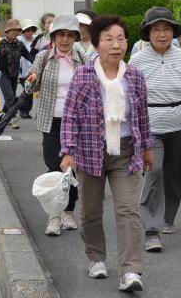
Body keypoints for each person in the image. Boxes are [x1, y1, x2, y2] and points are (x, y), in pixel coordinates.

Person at [60, 15, 154, 293]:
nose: (116, 45)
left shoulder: (135, 76)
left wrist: (147, 147)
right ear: (97, 43)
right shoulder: (84, 75)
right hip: (90, 151)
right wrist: (67, 151)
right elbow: (70, 116)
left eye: (121, 38)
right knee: (90, 211)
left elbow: (142, 115)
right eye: (109, 39)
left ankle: (130, 270)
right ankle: (96, 257)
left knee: (128, 210)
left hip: (126, 152)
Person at [129, 7, 181, 253]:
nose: (162, 34)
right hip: (150, 126)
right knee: (154, 170)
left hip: (179, 125)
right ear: (148, 33)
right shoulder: (138, 60)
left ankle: (168, 216)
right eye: (156, 29)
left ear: (173, 32)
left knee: (174, 173)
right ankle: (151, 229)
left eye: (167, 29)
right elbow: (129, 94)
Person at [25, 15, 89, 236]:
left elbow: (91, 88)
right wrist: (30, 81)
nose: (65, 39)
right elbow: (28, 89)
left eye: (70, 35)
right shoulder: (43, 57)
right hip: (50, 120)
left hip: (76, 123)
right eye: (61, 34)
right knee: (55, 167)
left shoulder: (82, 58)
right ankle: (54, 216)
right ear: (53, 37)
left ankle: (68, 211)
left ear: (75, 38)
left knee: (72, 168)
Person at [0, 18, 31, 129]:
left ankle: (4, 113)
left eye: (17, 30)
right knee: (10, 97)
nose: (15, 32)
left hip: (14, 74)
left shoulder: (20, 44)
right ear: (7, 32)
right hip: (2, 74)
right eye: (12, 30)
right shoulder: (0, 43)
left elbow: (29, 56)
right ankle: (13, 118)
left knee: (11, 96)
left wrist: (37, 64)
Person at [18, 19, 38, 119]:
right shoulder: (19, 40)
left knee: (30, 92)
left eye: (31, 30)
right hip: (23, 71)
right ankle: (22, 109)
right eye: (27, 30)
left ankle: (26, 111)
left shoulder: (36, 40)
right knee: (27, 91)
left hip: (34, 70)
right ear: (23, 31)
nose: (29, 32)